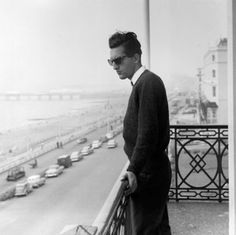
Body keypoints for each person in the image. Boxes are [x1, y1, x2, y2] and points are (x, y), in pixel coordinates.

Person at [108, 31, 172, 235]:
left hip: (148, 175)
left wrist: (133, 169)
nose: (114, 66)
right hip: (150, 172)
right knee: (159, 229)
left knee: (145, 231)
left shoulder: (148, 83)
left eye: (118, 60)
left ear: (135, 57)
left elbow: (147, 134)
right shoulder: (143, 83)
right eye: (110, 62)